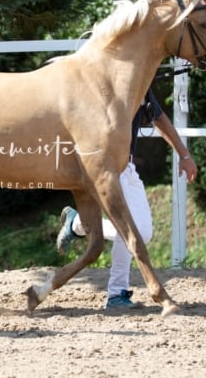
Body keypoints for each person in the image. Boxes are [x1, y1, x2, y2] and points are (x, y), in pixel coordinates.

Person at [57, 89, 198, 309]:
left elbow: (158, 116)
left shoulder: (139, 81)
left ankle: (78, 225)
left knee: (144, 232)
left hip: (127, 166)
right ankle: (116, 294)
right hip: (104, 164)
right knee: (133, 231)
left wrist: (184, 155)